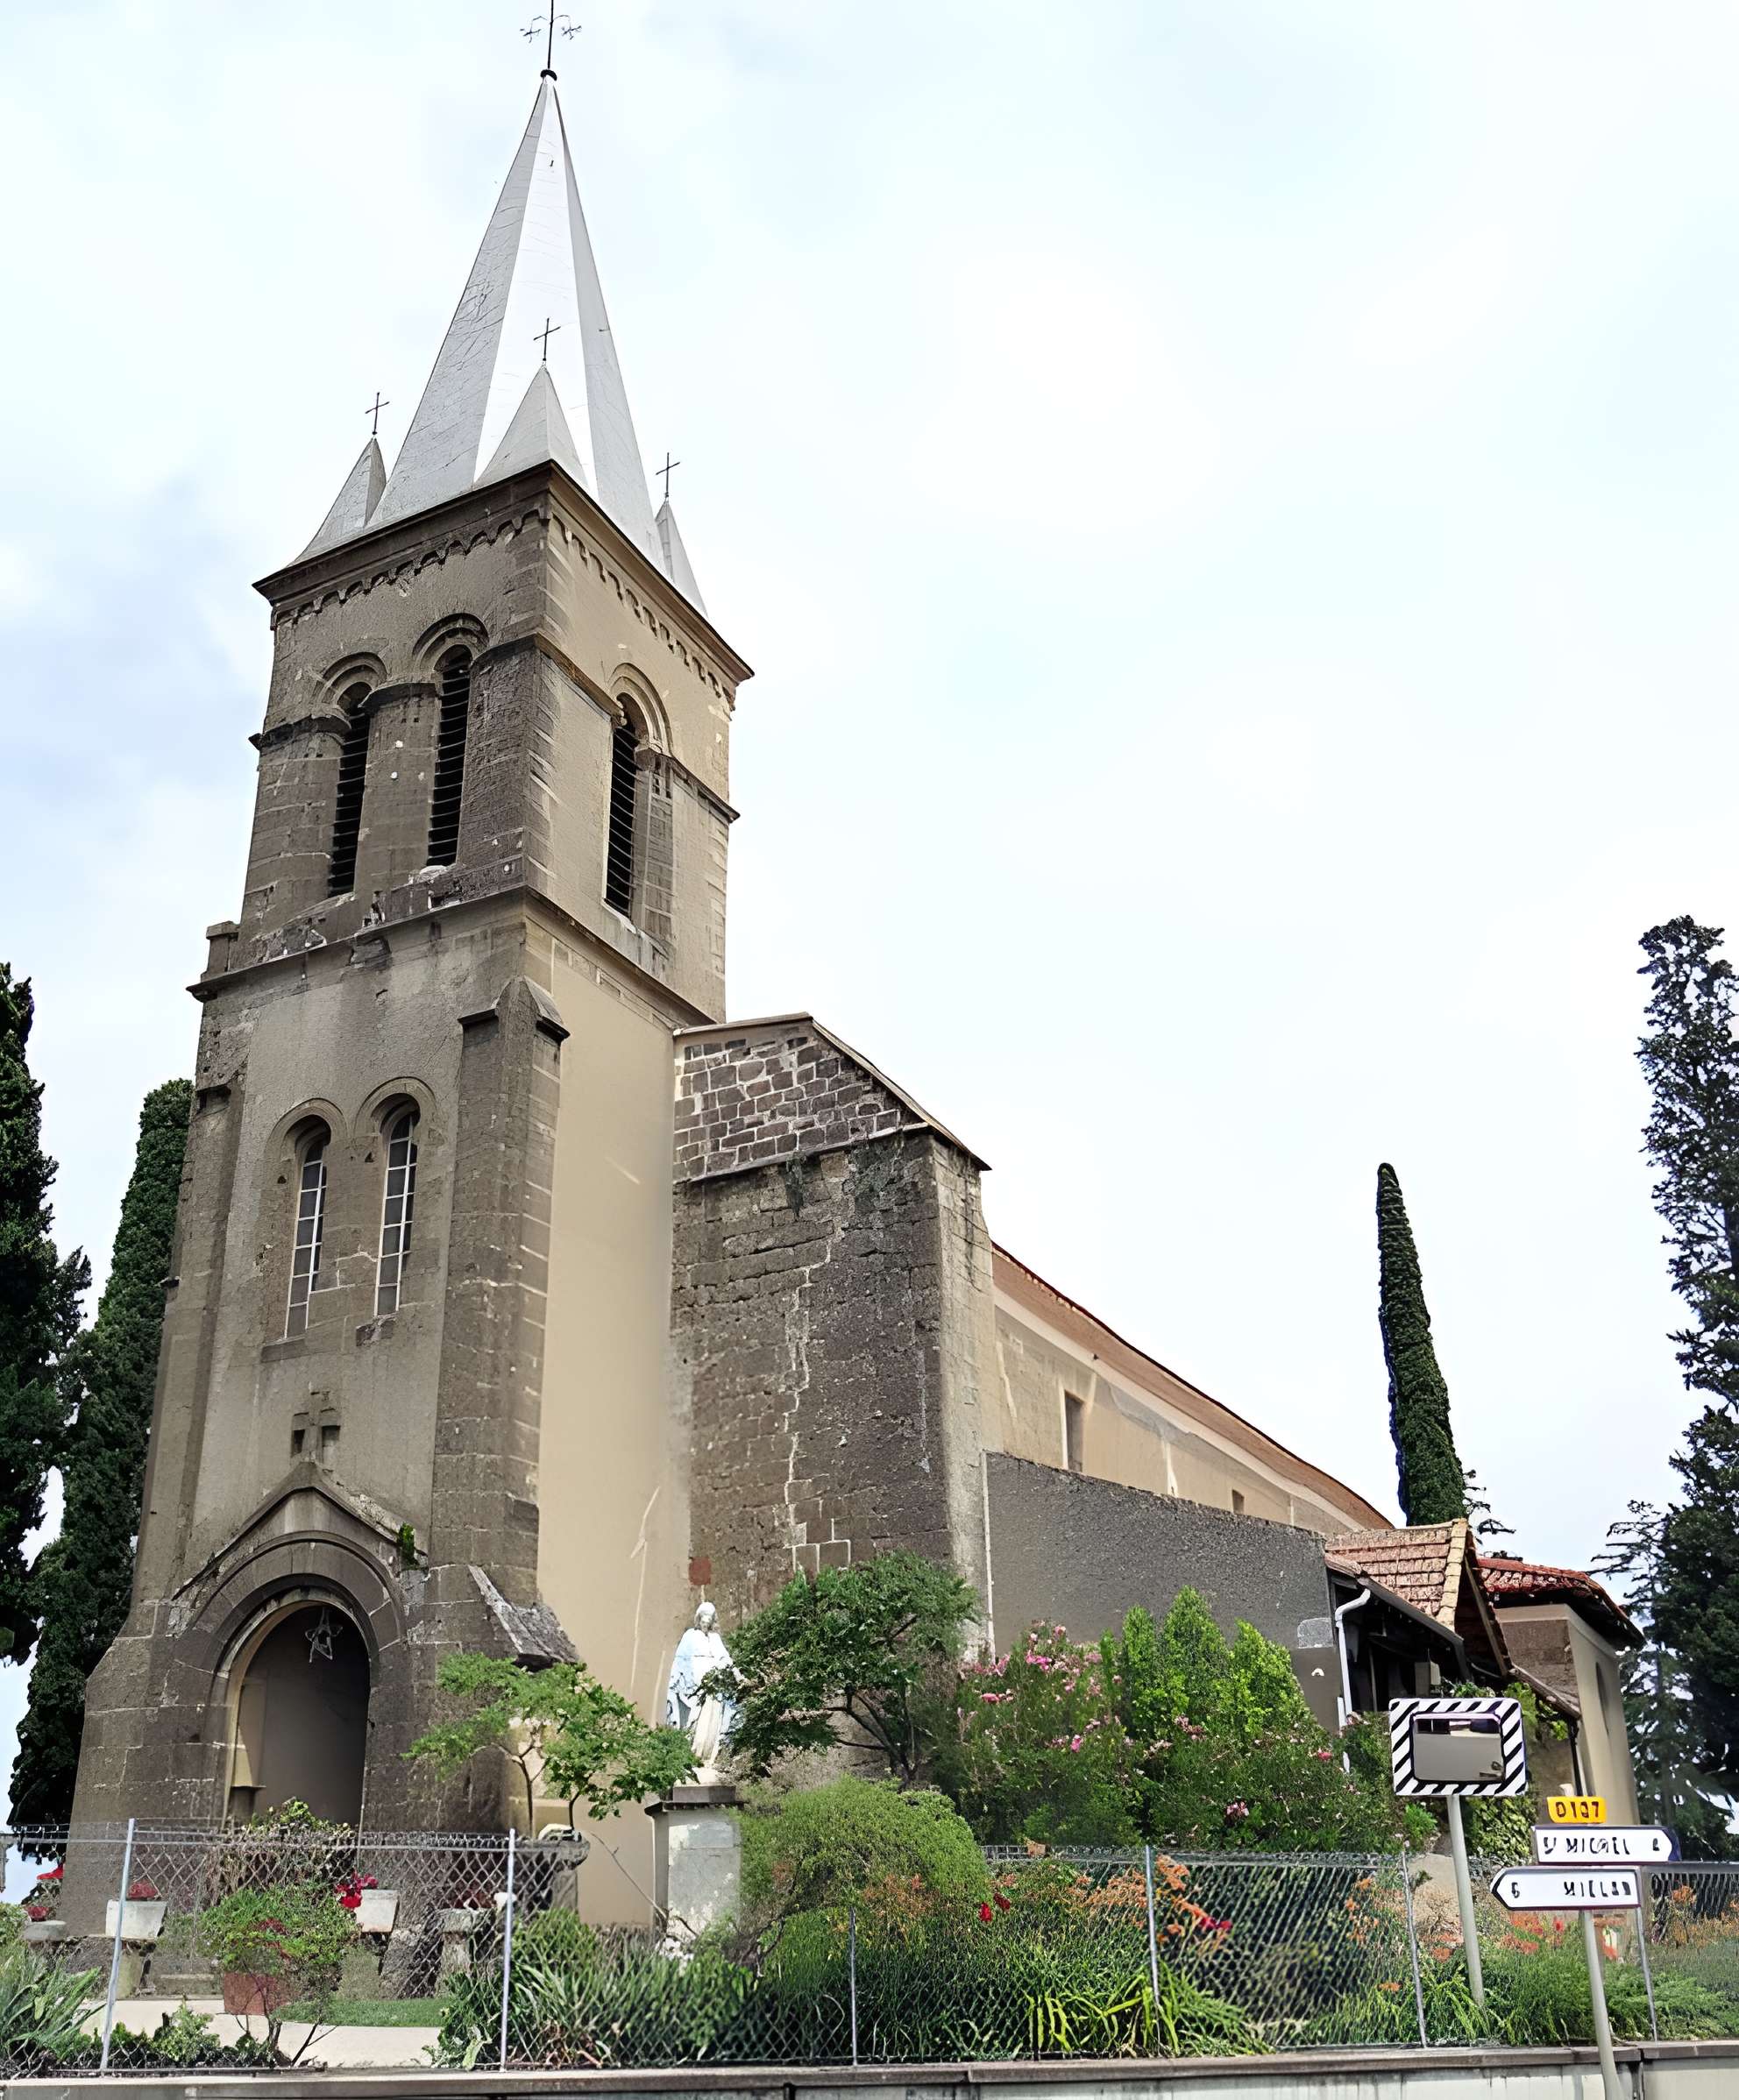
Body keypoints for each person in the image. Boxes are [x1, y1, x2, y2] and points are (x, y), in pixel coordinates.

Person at [664, 1602, 737, 1778]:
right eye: (703, 1621)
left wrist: (737, 1673)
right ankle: (691, 1756)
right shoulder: (690, 1636)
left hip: (714, 1684)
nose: (705, 1625)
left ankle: (707, 1758)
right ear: (699, 1621)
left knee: (713, 1720)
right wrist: (677, 1680)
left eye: (708, 1622)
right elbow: (681, 1659)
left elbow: (725, 1658)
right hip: (695, 1684)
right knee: (694, 1719)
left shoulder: (715, 1639)